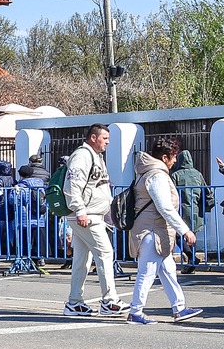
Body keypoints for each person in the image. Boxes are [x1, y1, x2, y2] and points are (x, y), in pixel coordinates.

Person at [125, 135, 204, 325]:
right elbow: (164, 207)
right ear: (164, 157)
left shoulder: (147, 171)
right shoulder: (157, 175)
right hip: (152, 231)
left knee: (168, 270)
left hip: (153, 230)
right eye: (173, 156)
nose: (175, 160)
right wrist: (185, 230)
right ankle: (135, 311)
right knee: (147, 272)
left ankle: (179, 308)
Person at [63, 124, 124, 316]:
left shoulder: (96, 156)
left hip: (91, 215)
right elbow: (73, 184)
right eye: (105, 138)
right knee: (105, 252)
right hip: (86, 215)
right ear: (93, 137)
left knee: (82, 260)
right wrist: (80, 210)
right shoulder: (82, 155)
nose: (108, 142)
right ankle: (109, 301)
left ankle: (74, 302)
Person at [171, 149, 210, 270]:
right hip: (196, 209)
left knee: (178, 236)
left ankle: (192, 257)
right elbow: (206, 190)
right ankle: (191, 262)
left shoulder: (176, 175)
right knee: (192, 237)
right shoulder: (198, 174)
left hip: (181, 209)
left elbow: (171, 192)